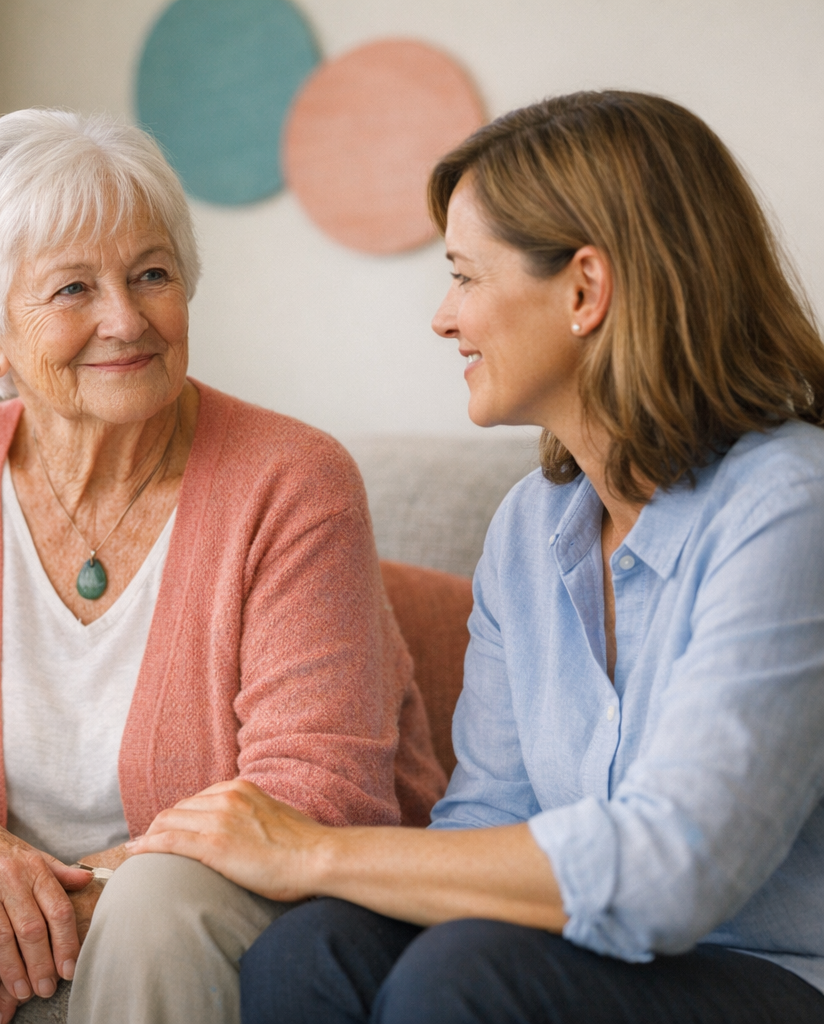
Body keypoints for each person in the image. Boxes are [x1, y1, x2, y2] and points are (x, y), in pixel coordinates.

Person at [0, 108, 446, 1024]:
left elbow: (319, 789)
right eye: (72, 290)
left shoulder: (292, 480)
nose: (125, 319)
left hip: (211, 919)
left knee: (155, 906)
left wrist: (53, 895)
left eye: (152, 274)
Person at [128, 90, 824, 1024]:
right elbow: (486, 822)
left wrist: (311, 851)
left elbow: (678, 870)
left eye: (464, 275)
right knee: (311, 952)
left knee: (461, 978)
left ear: (585, 290)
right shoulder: (532, 529)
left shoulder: (788, 506)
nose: (443, 318)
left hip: (775, 970)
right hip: (587, 955)